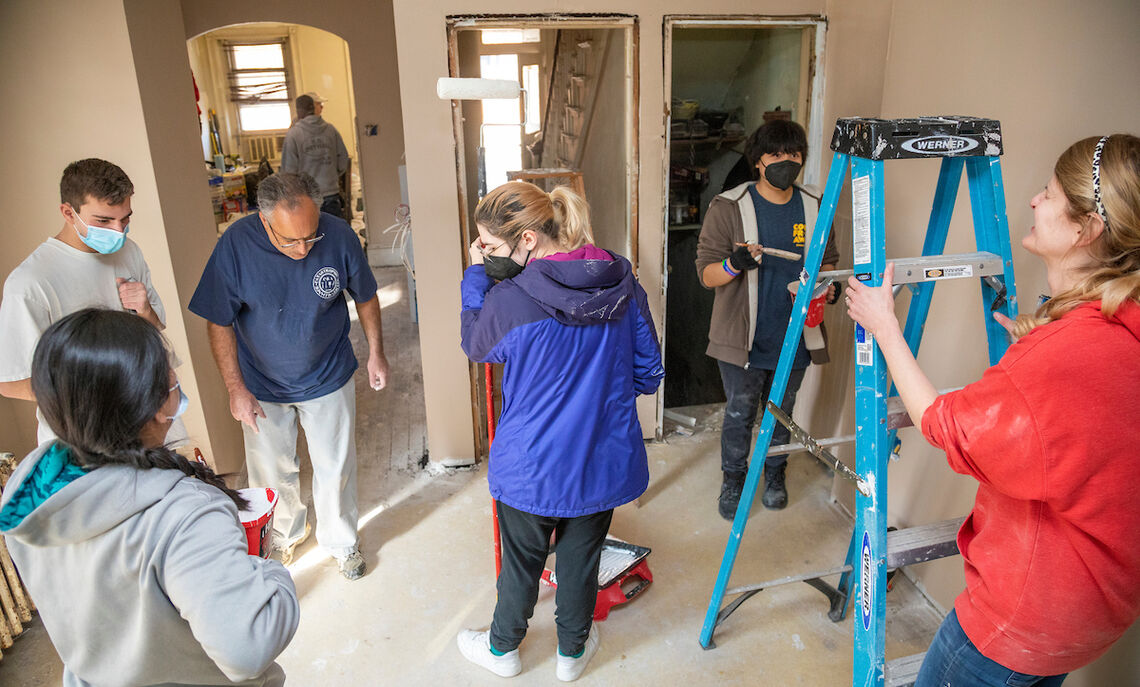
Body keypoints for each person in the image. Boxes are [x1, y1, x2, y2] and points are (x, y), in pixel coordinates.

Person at [846, 134, 1140, 686]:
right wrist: (1045, 342)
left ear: (1087, 229)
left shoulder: (1061, 363)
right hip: (1091, 612)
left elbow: (942, 425)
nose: (1033, 200)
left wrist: (885, 327)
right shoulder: (1122, 327)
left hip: (1020, 621)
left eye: (1049, 194)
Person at [0, 308, 299, 687]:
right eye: (171, 372)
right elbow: (248, 651)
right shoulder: (187, 515)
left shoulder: (27, 492)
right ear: (161, 405)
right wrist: (271, 574)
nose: (176, 378)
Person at [455, 182, 664, 682]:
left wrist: (474, 275)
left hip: (532, 465)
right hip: (601, 456)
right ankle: (572, 653)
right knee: (580, 558)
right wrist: (601, 402)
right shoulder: (621, 282)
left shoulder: (508, 298)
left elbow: (475, 344)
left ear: (528, 239)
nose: (486, 254)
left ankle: (502, 649)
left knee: (522, 561)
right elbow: (648, 371)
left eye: (490, 245)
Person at [189, 172, 389, 580]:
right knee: (271, 470)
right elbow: (218, 321)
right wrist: (235, 389)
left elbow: (365, 296)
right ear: (264, 221)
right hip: (261, 383)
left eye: (310, 237)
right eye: (290, 240)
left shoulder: (337, 235)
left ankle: (341, 540)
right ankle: (284, 535)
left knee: (335, 465)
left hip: (328, 372)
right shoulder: (235, 246)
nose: (303, 249)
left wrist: (376, 355)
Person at [695, 119, 840, 519]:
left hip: (795, 336)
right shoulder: (729, 206)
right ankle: (734, 480)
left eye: (794, 155)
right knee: (740, 412)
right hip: (742, 337)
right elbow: (706, 274)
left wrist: (832, 286)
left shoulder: (816, 204)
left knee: (782, 412)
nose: (786, 162)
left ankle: (776, 473)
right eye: (776, 154)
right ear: (758, 161)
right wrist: (734, 263)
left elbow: (828, 262)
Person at [0, 158, 168, 445]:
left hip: (140, 423)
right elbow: (12, 383)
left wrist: (145, 311)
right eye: (103, 221)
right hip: (81, 440)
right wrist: (100, 394)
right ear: (68, 212)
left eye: (125, 218)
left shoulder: (129, 252)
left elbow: (154, 330)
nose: (118, 231)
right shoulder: (30, 283)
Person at [281, 92, 349, 220]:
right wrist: (330, 176)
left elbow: (288, 172)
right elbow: (343, 161)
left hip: (306, 197)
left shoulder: (294, 134)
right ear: (313, 107)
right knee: (333, 233)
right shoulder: (331, 130)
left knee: (312, 237)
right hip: (330, 193)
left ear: (299, 111)